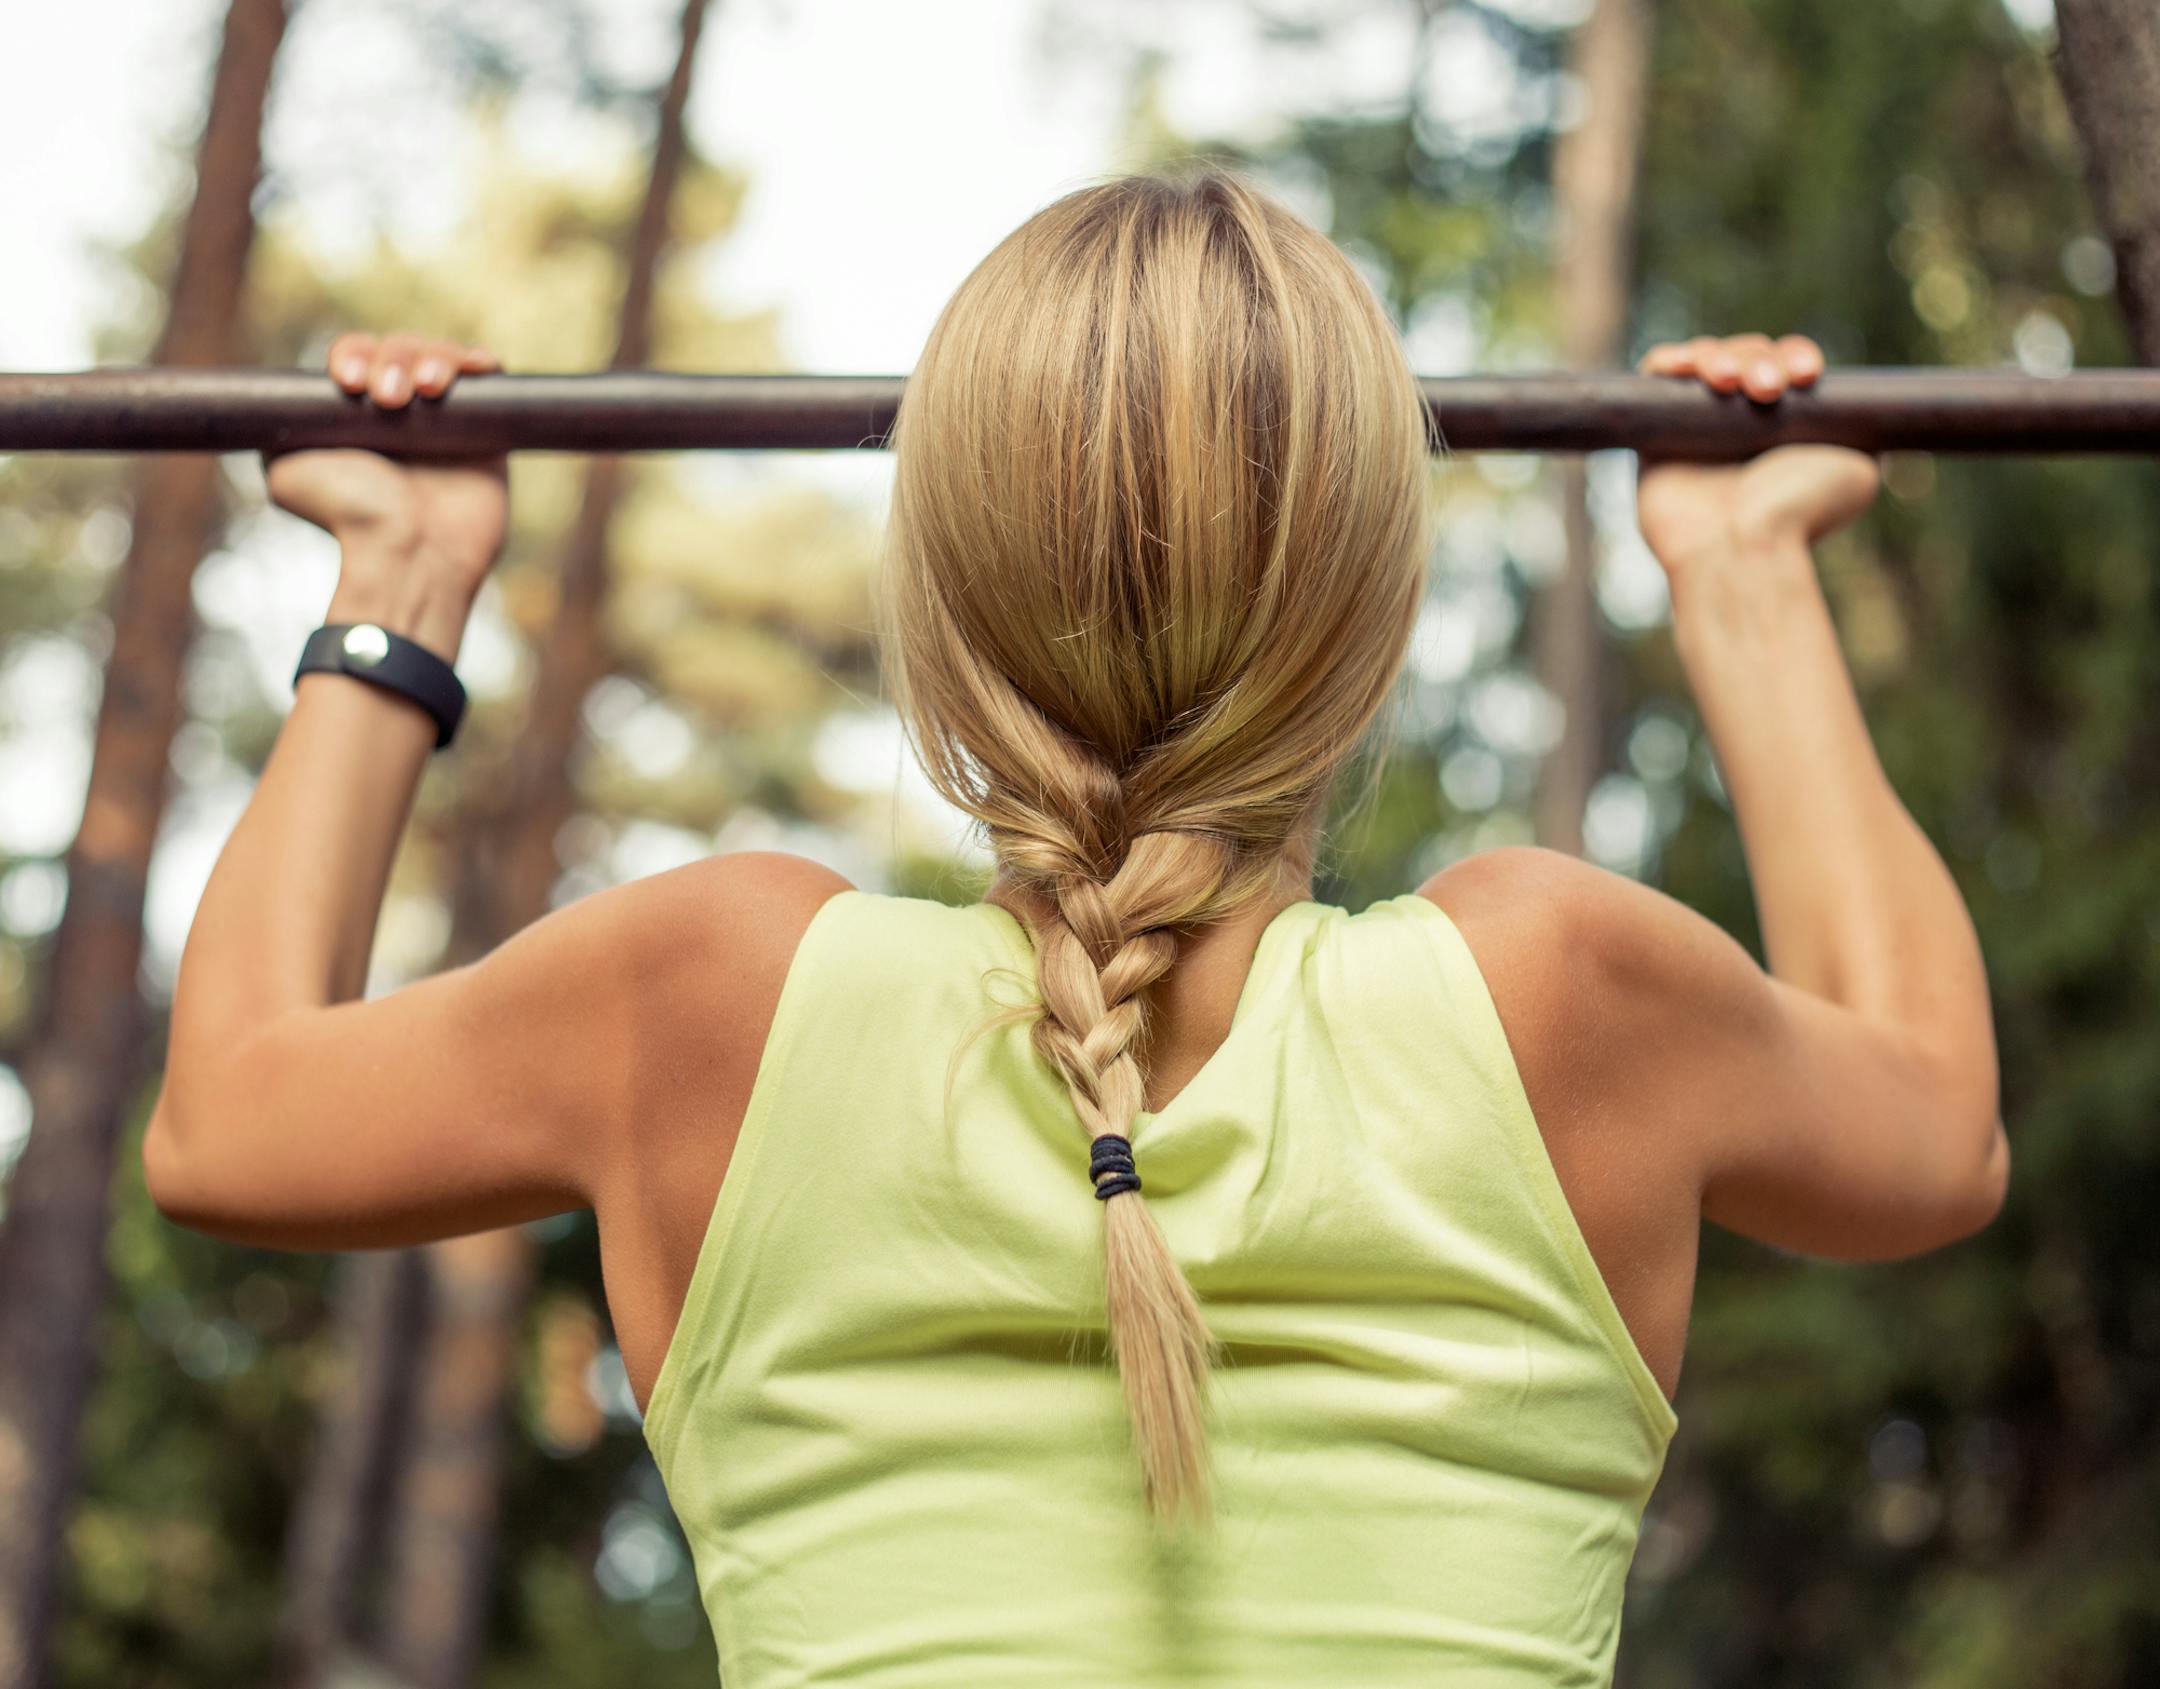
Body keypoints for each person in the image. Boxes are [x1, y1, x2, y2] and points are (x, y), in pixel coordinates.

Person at [143, 167, 2006, 1686]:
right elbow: (1938, 1122)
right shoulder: (1566, 994)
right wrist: (1745, 575)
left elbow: (223, 1119)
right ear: (1366, 624)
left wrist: (401, 575)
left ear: (938, 605)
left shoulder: (714, 997)